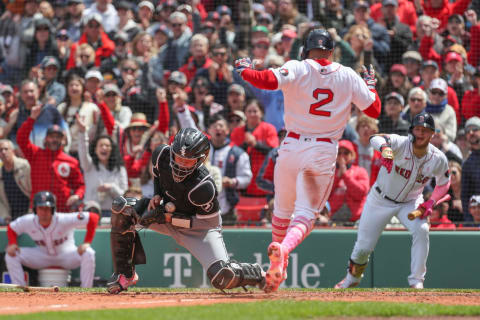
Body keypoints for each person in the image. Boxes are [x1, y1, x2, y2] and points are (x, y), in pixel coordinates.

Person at [235, 28, 381, 292]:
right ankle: (284, 249)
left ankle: (276, 270)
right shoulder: (347, 74)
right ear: (331, 51)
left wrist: (244, 70)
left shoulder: (298, 66)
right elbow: (374, 109)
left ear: (306, 49)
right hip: (322, 150)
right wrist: (370, 85)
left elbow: (266, 80)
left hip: (290, 146)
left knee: (281, 213)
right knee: (305, 216)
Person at [106, 128, 265, 294]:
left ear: (199, 160)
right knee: (122, 208)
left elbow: (206, 222)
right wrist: (157, 195)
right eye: (178, 157)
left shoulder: (203, 187)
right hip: (165, 215)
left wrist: (168, 218)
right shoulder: (161, 154)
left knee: (222, 277)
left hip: (200, 229)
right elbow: (159, 176)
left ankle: (257, 273)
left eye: (188, 161)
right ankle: (125, 274)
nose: (181, 164)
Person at [335, 113, 450, 289]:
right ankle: (352, 278)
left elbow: (444, 183)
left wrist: (430, 202)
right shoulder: (400, 143)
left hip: (410, 202)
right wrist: (385, 149)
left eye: (425, 130)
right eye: (417, 129)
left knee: (422, 230)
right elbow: (375, 138)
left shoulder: (438, 158)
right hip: (380, 199)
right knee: (363, 247)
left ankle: (416, 282)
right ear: (412, 130)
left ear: (432, 134)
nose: (420, 134)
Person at [5, 191, 99, 287]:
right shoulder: (29, 220)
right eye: (40, 208)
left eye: (47, 208)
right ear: (35, 209)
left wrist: (87, 242)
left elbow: (93, 217)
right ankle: (19, 289)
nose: (44, 211)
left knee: (88, 253)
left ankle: (86, 289)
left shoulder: (63, 219)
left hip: (66, 256)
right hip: (41, 256)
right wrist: (12, 243)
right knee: (11, 254)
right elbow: (11, 228)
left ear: (52, 209)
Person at [17, 104, 85, 212]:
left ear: (63, 140)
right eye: (52, 136)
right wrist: (32, 118)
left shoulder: (71, 161)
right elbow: (21, 139)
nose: (54, 140)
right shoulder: (35, 154)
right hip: (38, 209)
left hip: (62, 211)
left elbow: (80, 185)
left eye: (58, 137)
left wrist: (77, 196)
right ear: (45, 139)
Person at [208, 114, 253, 225]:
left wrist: (232, 182)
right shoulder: (200, 150)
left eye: (221, 125)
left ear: (227, 130)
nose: (218, 128)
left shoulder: (238, 153)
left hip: (227, 208)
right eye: (214, 126)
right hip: (202, 208)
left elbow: (247, 178)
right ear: (209, 130)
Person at [328, 139, 370, 224]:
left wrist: (346, 175)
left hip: (355, 221)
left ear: (352, 155)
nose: (342, 156)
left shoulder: (360, 171)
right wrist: (337, 177)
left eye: (346, 153)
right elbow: (324, 195)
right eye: (339, 153)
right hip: (332, 219)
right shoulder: (329, 172)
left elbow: (361, 193)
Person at [0, 139, 31, 224]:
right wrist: (5, 215)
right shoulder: (0, 172)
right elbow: (0, 201)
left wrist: (31, 212)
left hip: (29, 212)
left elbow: (34, 190)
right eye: (0, 150)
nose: (3, 152)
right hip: (11, 216)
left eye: (6, 149)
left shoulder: (25, 166)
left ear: (12, 151)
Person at [461, 117, 480, 222]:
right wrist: (469, 222)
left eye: (475, 129)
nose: (471, 133)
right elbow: (465, 196)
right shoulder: (467, 164)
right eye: (468, 131)